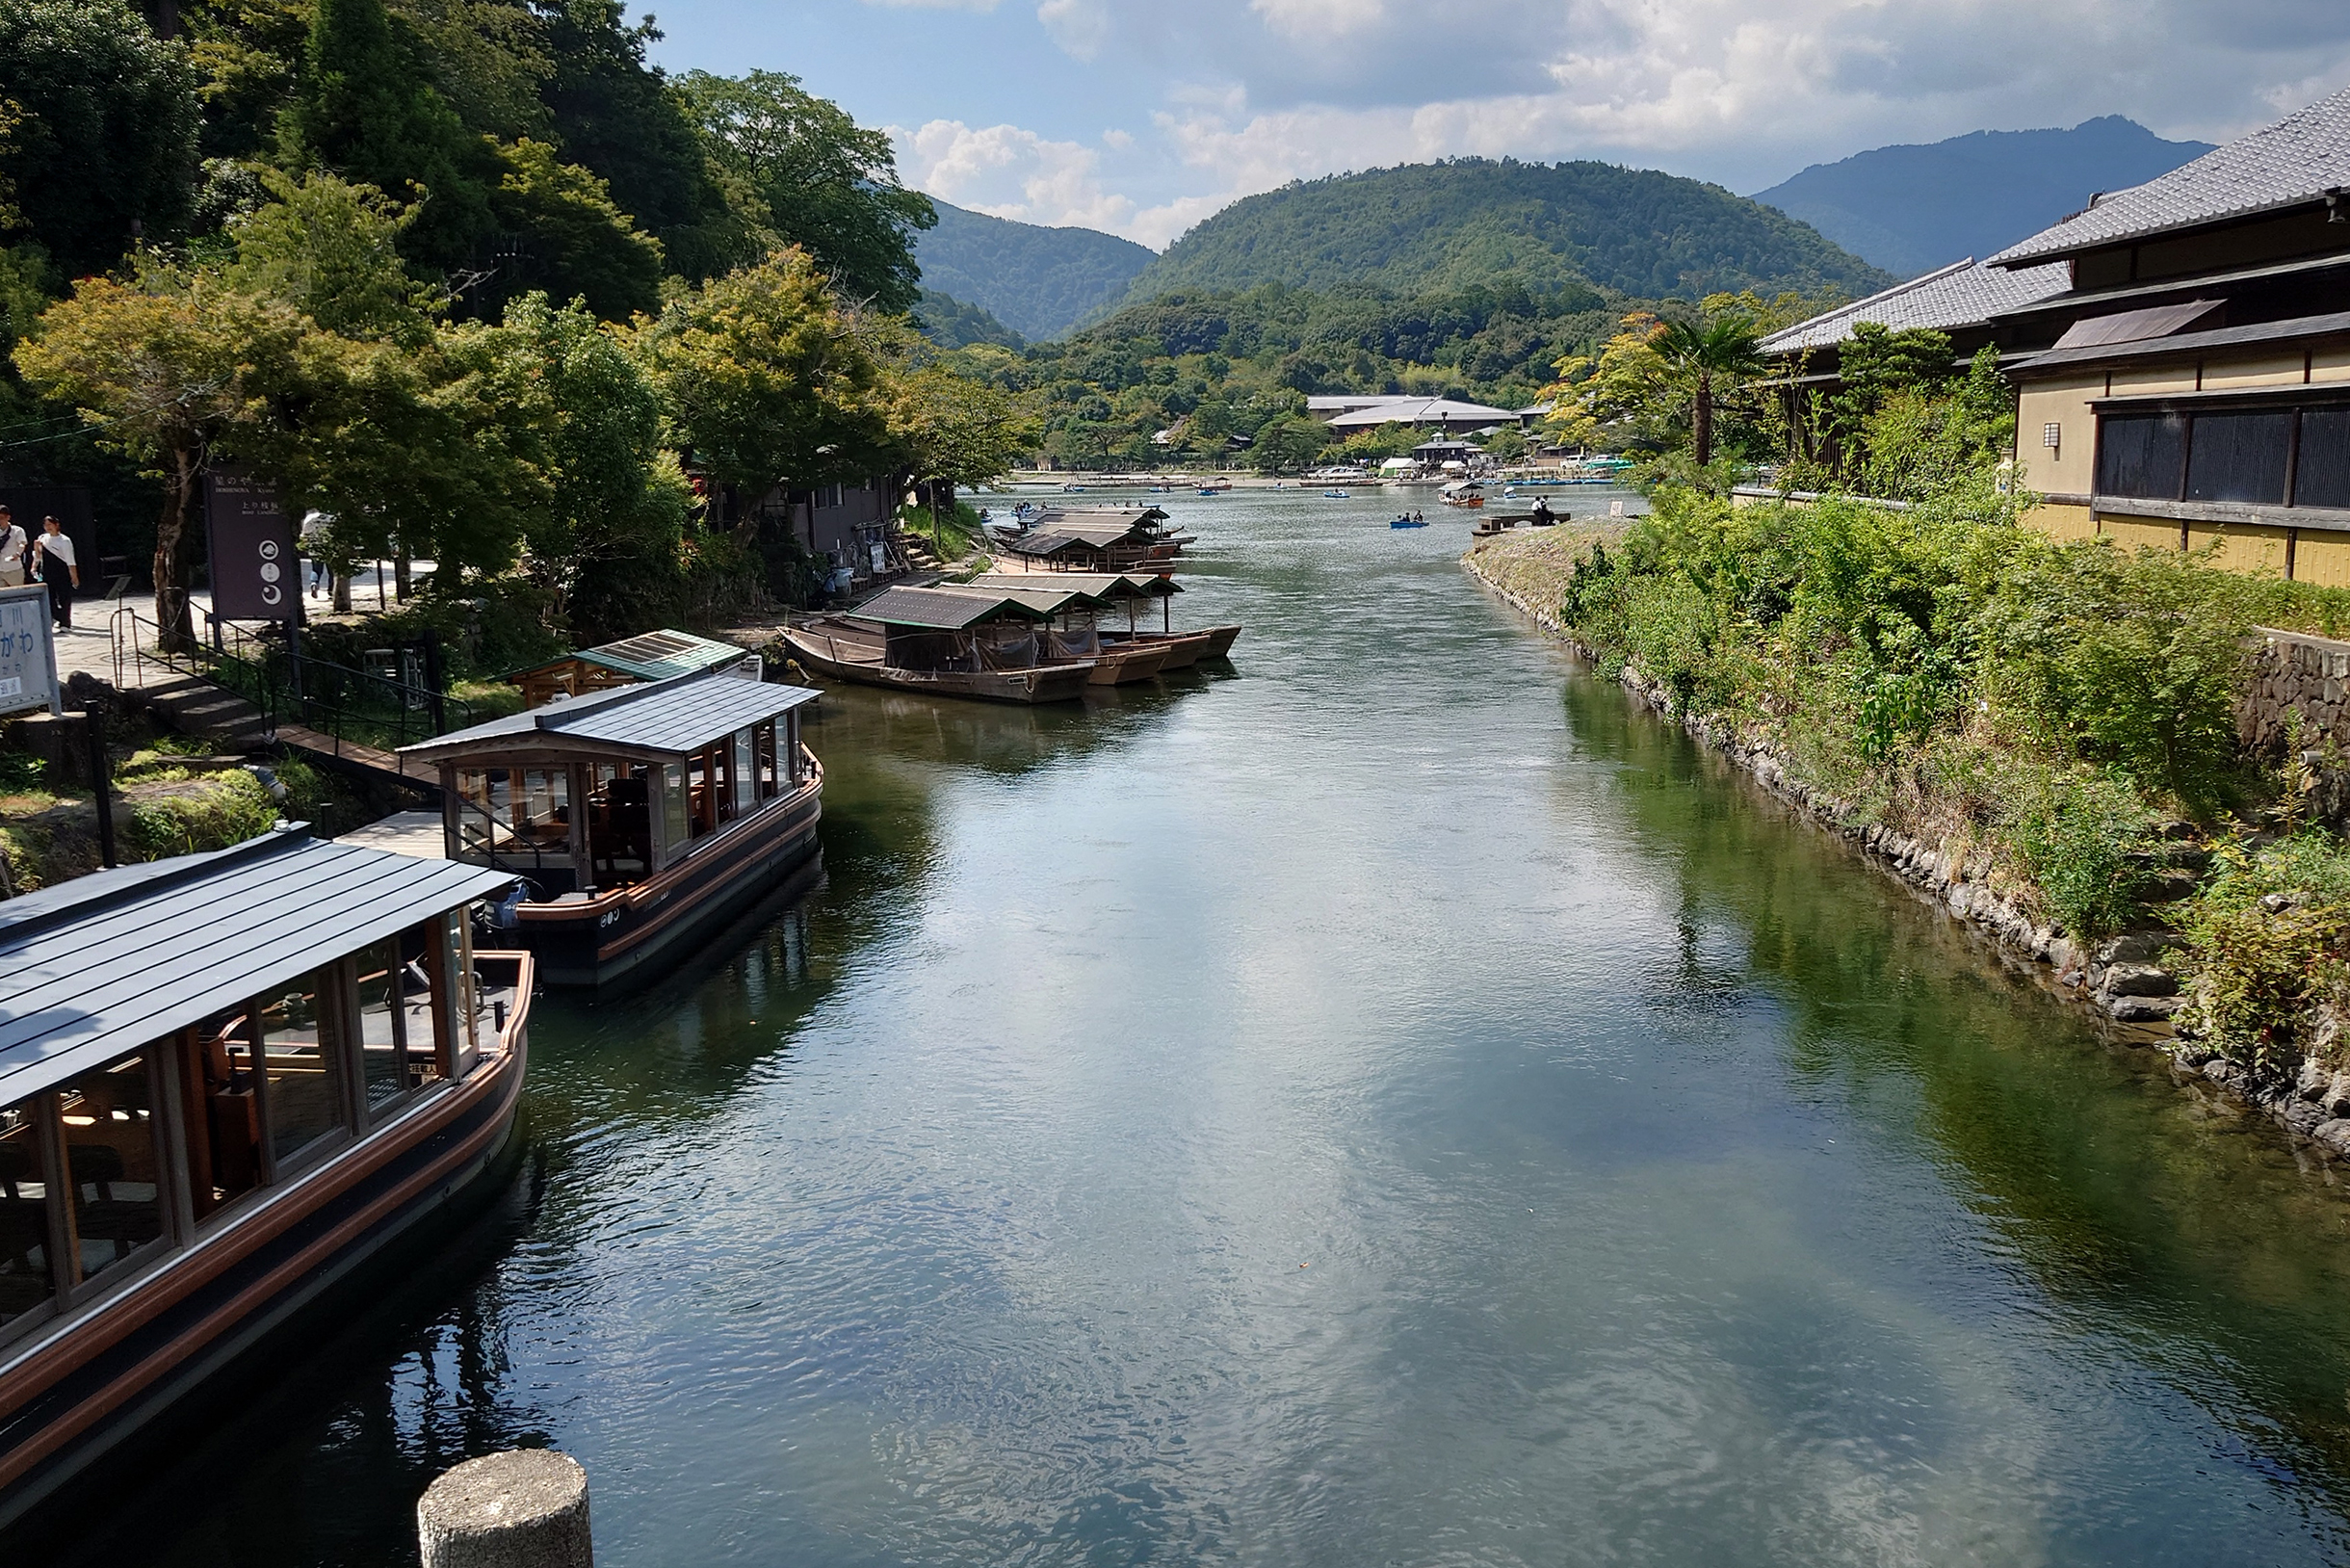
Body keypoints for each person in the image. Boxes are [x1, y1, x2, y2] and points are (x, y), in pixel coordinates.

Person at [31, 514, 77, 630]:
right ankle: (58, 617)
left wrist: (74, 576)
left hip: (61, 571)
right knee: (49, 598)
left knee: (64, 597)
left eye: (50, 525)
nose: (47, 527)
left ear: (56, 525)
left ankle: (65, 623)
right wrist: (34, 566)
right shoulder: (42, 537)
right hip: (47, 571)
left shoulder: (65, 540)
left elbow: (70, 560)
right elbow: (38, 556)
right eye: (45, 525)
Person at [0, 506, 24, 588]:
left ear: (8, 517)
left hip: (14, 569)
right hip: (0, 570)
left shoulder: (17, 530)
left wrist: (18, 554)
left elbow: (22, 544)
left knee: (18, 594)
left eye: (1, 518)